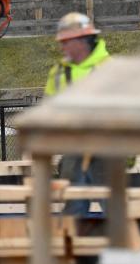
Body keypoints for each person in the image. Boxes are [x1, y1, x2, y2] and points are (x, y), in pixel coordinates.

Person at [44, 12, 111, 215]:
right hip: (73, 149)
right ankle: (69, 246)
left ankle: (123, 245)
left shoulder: (109, 68)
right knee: (73, 207)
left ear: (81, 41)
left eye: (65, 42)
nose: (62, 47)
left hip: (105, 149)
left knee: (113, 206)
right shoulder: (58, 72)